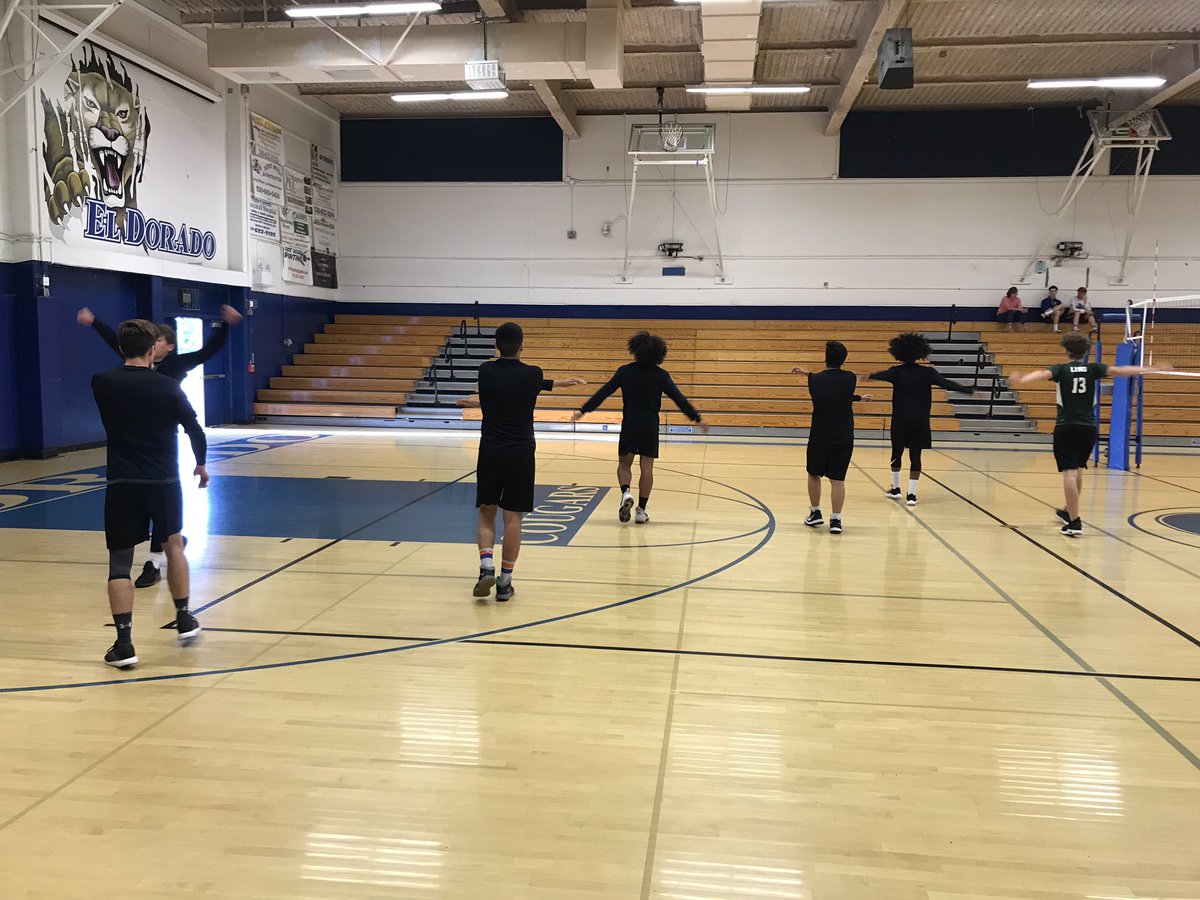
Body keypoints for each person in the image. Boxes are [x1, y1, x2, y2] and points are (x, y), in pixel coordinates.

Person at [77, 303, 243, 588]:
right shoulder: (133, 365)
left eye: (158, 341)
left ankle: (155, 560)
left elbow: (208, 352)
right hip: (135, 436)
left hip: (161, 436)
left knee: (160, 496)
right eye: (151, 341)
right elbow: (115, 342)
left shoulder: (176, 366)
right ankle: (164, 550)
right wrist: (95, 322)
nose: (153, 345)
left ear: (167, 346)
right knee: (151, 500)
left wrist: (225, 325)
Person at [91, 319, 209, 668]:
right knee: (174, 547)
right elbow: (194, 429)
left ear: (120, 348)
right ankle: (185, 620)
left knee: (119, 564)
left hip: (122, 483)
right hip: (163, 483)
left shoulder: (102, 382)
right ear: (152, 350)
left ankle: (124, 645)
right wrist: (201, 464)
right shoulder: (168, 387)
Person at [456, 323, 585, 602]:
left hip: (490, 449)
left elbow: (497, 394)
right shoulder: (533, 374)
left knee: (486, 513)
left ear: (496, 347)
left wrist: (473, 402)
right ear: (522, 345)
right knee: (513, 517)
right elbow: (532, 384)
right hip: (521, 452)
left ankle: (485, 567)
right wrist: (563, 382)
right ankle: (504, 583)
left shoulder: (485, 371)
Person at [1011, 332, 1169, 536]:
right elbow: (1121, 371)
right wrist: (1151, 369)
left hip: (1066, 425)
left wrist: (1022, 379)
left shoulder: (1060, 369)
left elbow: (1041, 374)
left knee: (1068, 472)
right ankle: (1070, 511)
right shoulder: (1094, 368)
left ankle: (1075, 522)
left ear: (1066, 350)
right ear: (1086, 351)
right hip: (1088, 427)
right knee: (1078, 469)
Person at [571, 331, 704, 525]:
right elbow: (679, 398)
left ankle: (626, 493)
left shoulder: (625, 371)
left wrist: (584, 410)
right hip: (650, 425)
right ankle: (641, 510)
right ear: (660, 354)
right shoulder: (662, 375)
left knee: (625, 464)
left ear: (635, 350)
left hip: (630, 424)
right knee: (647, 468)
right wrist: (696, 418)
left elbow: (604, 392)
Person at [869, 332, 979, 506]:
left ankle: (896, 489)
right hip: (920, 420)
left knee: (896, 452)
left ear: (898, 353)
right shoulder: (928, 373)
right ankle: (911, 494)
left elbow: (877, 375)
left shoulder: (896, 372)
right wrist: (967, 390)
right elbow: (947, 383)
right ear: (920, 352)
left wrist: (866, 376)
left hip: (900, 419)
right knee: (916, 455)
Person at [791, 341, 872, 535]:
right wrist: (859, 398)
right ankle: (836, 520)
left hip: (820, 434)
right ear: (844, 359)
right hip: (844, 435)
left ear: (825, 357)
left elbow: (825, 390)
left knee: (814, 474)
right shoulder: (850, 378)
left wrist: (806, 374)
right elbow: (840, 395)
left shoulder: (815, 380)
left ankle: (815, 512)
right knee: (838, 479)